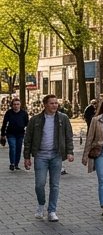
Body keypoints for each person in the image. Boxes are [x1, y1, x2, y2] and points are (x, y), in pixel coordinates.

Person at [23, 94, 75, 222]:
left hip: (56, 155)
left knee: (55, 185)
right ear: (45, 105)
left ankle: (52, 211)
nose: (55, 105)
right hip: (41, 155)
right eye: (52, 103)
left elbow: (68, 136)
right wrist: (27, 157)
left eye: (56, 103)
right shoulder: (35, 120)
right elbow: (28, 139)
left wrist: (70, 152)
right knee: (40, 184)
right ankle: (41, 204)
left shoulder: (63, 119)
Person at [1, 96, 29, 171]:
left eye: (17, 104)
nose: (16, 106)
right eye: (14, 104)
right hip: (10, 133)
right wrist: (2, 134)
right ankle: (12, 163)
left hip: (20, 134)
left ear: (20, 105)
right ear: (12, 105)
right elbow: (4, 123)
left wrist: (28, 133)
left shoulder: (24, 113)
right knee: (13, 147)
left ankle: (16, 164)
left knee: (18, 149)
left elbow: (27, 124)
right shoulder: (9, 113)